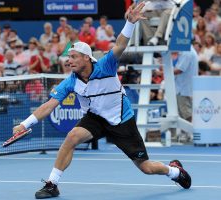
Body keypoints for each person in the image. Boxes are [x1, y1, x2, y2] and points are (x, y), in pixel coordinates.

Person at [13, 3, 191, 199]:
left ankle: (174, 171)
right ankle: (52, 184)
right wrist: (24, 124)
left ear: (87, 58)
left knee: (146, 168)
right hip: (95, 118)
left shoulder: (106, 66)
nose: (69, 61)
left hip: (121, 120)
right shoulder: (70, 82)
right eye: (68, 57)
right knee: (72, 137)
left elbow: (120, 45)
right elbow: (48, 106)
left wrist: (129, 24)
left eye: (73, 57)